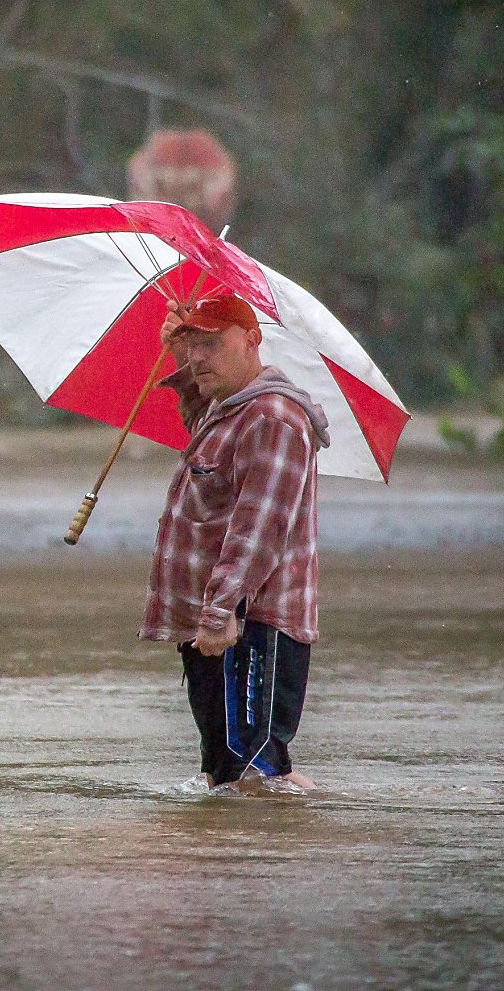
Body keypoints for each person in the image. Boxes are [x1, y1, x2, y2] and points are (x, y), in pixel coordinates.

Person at [145, 293, 330, 792]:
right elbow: (208, 447)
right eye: (191, 344)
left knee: (254, 780)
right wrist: (177, 358)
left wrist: (218, 612)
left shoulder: (271, 418)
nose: (198, 356)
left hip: (248, 625)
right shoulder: (228, 412)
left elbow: (258, 530)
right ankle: (233, 867)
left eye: (210, 342)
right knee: (228, 777)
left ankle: (265, 868)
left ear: (252, 340)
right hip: (222, 624)